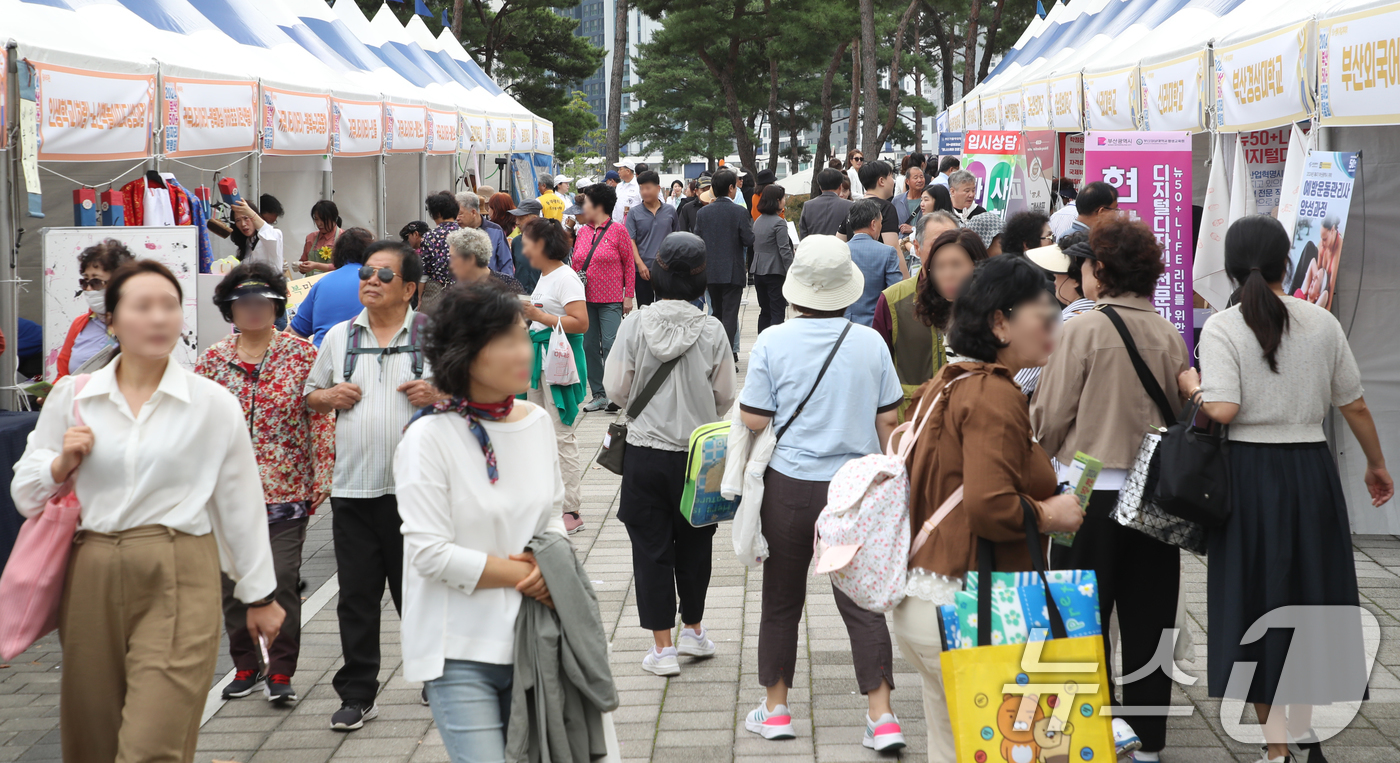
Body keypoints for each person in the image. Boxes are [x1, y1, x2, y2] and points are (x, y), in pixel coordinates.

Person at [11, 260, 283, 763]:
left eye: (169, 306)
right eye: (142, 306)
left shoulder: (211, 403)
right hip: (90, 569)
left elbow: (238, 504)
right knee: (92, 740)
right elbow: (26, 494)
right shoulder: (75, 396)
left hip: (180, 568)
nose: (159, 318)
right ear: (111, 321)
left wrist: (259, 594)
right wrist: (61, 462)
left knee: (151, 745)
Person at [1181, 215, 1392, 763]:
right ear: (1285, 263)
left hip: (1248, 477)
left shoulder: (1224, 327)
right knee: (1312, 595)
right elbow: (1355, 404)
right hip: (1310, 472)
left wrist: (1192, 387)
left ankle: (1277, 749)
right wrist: (1376, 464)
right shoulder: (1321, 323)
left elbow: (1223, 408)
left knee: (1254, 601)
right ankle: (1311, 736)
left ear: (1229, 267)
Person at [897, 255, 1084, 763]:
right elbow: (989, 504)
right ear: (1000, 323)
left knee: (952, 746)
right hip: (974, 606)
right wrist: (1052, 514)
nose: (1052, 321)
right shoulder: (995, 395)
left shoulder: (951, 380)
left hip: (929, 596)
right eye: (1040, 310)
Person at [1029, 218, 1190, 760]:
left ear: (1099, 271)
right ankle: (1149, 735)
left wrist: (1039, 456)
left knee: (1079, 614)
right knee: (1151, 613)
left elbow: (1049, 415)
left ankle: (1088, 725)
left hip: (1090, 483)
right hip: (1154, 492)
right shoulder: (1169, 330)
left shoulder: (1083, 328)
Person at [738, 234, 906, 751]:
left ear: (795, 290)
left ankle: (777, 708)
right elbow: (890, 419)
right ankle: (882, 718)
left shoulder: (772, 340)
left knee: (782, 600)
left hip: (789, 488)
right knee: (861, 601)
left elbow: (754, 416)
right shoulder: (870, 343)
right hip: (852, 493)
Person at [395, 282, 565, 763]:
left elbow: (551, 516)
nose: (522, 351)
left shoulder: (535, 422)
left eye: (521, 336)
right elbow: (429, 553)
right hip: (457, 650)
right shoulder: (428, 438)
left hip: (534, 638)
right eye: (505, 340)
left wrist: (548, 562)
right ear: (464, 354)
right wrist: (530, 575)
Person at [304, 241, 444, 731]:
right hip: (354, 489)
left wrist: (439, 393)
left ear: (410, 289)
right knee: (356, 596)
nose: (371, 281)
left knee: (420, 591)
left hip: (417, 492)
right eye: (367, 272)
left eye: (384, 276)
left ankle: (435, 676)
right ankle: (359, 693)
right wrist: (329, 395)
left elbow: (473, 396)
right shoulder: (340, 337)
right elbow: (310, 396)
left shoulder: (432, 336)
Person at [603, 233, 736, 677]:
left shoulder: (635, 324)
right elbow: (724, 396)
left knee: (651, 548)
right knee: (697, 543)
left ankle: (662, 649)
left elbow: (617, 390)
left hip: (645, 452)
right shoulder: (714, 329)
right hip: (701, 454)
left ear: (657, 272)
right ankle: (694, 631)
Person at [198, 262, 330, 705]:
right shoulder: (212, 362)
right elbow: (195, 426)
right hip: (227, 495)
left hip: (287, 490)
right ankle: (246, 665)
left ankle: (281, 671)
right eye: (243, 304)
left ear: (277, 306)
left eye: (263, 303)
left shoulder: (301, 355)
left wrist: (323, 474)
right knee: (232, 582)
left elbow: (320, 417)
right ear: (229, 311)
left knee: (282, 577)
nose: (253, 311)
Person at [518, 218, 590, 535]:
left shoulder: (565, 277)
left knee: (561, 435)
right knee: (539, 432)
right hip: (541, 360)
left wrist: (539, 316)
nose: (523, 248)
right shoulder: (546, 276)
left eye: (527, 241)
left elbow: (581, 322)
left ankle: (571, 509)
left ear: (543, 245)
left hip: (559, 362)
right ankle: (547, 501)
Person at [874, 223, 987, 410]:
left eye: (957, 265)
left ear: (977, 265)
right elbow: (878, 372)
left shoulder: (995, 312)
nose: (948, 275)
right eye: (939, 266)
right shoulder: (898, 301)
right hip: (916, 422)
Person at [569, 183, 635, 413]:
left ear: (598, 206)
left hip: (611, 299)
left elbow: (629, 265)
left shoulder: (619, 230)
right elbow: (576, 263)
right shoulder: (583, 231)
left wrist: (629, 296)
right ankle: (598, 394)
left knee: (611, 345)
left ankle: (615, 393)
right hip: (584, 300)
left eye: (586, 202)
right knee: (588, 346)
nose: (583, 205)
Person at [693, 169, 754, 361]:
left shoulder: (703, 213)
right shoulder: (739, 212)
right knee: (730, 315)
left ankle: (712, 355)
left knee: (715, 315)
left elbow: (697, 241)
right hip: (732, 272)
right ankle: (726, 357)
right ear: (731, 188)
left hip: (709, 272)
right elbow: (748, 240)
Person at [56, 238, 133, 379]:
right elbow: (63, 376)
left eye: (96, 281)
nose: (89, 289)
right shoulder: (79, 324)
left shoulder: (143, 323)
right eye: (84, 282)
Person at [289, 228, 376, 347]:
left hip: (322, 357)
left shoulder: (321, 283)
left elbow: (294, 333)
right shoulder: (377, 282)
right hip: (364, 357)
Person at [843, 199, 903, 327]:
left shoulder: (839, 251)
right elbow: (895, 294)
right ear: (873, 224)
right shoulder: (887, 252)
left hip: (844, 326)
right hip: (875, 325)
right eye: (880, 223)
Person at [627, 169, 679, 307]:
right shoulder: (634, 213)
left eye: (648, 188)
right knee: (645, 311)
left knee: (667, 310)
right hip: (643, 270)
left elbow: (675, 238)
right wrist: (640, 264)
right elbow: (630, 240)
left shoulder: (670, 211)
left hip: (666, 269)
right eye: (641, 188)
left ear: (658, 188)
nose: (644, 192)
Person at [841, 161, 904, 270]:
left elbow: (839, 242)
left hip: (854, 275)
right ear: (881, 181)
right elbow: (893, 248)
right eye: (890, 176)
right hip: (879, 274)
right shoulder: (886, 208)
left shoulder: (853, 208)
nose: (893, 181)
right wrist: (907, 281)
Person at [751, 185, 794, 333]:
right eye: (783, 198)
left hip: (758, 270)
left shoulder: (758, 221)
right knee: (777, 311)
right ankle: (776, 345)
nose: (784, 201)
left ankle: (762, 342)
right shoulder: (779, 222)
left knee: (765, 311)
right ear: (777, 201)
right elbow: (785, 250)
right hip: (775, 271)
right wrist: (792, 271)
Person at [448, 227, 525, 294]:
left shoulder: (508, 285)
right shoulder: (454, 290)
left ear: (470, 259)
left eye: (453, 258)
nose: (451, 264)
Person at [456, 191, 516, 277]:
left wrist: (505, 287)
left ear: (473, 212)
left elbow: (506, 264)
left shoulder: (496, 231)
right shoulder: (456, 233)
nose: (457, 218)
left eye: (460, 214)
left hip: (491, 287)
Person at [419, 191, 462, 309]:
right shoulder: (467, 234)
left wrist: (419, 298)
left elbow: (424, 271)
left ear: (436, 213)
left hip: (437, 291)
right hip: (464, 292)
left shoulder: (429, 236)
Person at [231, 198, 285, 272]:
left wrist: (250, 212)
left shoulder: (273, 234)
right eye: (238, 220)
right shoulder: (246, 244)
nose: (243, 224)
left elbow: (267, 232)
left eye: (246, 218)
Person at [799, 167, 853, 240]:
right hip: (840, 249)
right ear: (840, 186)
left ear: (820, 187)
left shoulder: (808, 206)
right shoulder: (850, 206)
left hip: (814, 249)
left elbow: (803, 236)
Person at [507, 199, 544, 292]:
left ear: (534, 218)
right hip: (521, 297)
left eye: (521, 218)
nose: (517, 222)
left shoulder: (550, 241)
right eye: (516, 218)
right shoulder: (516, 242)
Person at [299, 200, 341, 274]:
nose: (319, 224)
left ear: (334, 218)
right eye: (316, 219)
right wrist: (300, 266)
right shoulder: (310, 238)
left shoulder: (344, 238)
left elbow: (343, 267)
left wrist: (316, 265)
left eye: (323, 219)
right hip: (311, 284)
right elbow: (303, 262)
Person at [891, 165, 927, 237]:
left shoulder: (929, 200)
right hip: (901, 242)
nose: (919, 180)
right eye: (915, 177)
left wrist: (913, 229)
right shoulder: (897, 200)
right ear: (907, 181)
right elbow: (891, 224)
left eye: (921, 177)